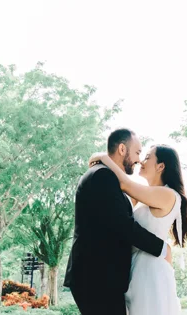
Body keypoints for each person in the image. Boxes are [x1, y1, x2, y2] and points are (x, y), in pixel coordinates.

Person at [64, 129, 173, 315]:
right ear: (122, 149)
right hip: (96, 278)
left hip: (101, 277)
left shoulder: (107, 177)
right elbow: (123, 225)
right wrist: (162, 248)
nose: (139, 159)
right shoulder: (102, 176)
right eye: (138, 153)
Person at [88, 142, 187, 315]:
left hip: (151, 272)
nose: (141, 161)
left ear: (161, 166)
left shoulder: (167, 194)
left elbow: (124, 184)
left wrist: (103, 157)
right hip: (138, 269)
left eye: (147, 157)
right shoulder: (147, 196)